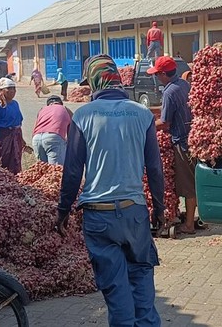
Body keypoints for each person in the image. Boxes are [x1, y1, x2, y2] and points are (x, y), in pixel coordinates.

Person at [55, 54, 165, 326]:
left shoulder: (83, 116)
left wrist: (63, 209)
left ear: (94, 81)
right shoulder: (141, 114)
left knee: (117, 293)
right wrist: (160, 209)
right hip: (135, 214)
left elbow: (72, 171)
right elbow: (155, 169)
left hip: (99, 217)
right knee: (141, 281)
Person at [146, 56, 199, 234]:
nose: (156, 77)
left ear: (163, 74)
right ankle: (190, 217)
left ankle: (189, 224)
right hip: (191, 137)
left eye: (157, 74)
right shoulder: (184, 84)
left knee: (189, 184)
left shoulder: (169, 91)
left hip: (182, 141)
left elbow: (166, 122)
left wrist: (146, 125)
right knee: (191, 180)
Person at [0, 77, 31, 174]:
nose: (12, 91)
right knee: (4, 160)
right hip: (4, 136)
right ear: (2, 91)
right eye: (9, 89)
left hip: (16, 135)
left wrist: (22, 139)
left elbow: (18, 122)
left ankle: (16, 181)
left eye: (14, 88)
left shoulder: (15, 104)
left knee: (16, 160)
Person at [32, 95, 71, 165]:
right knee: (55, 170)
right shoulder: (65, 109)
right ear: (60, 103)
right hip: (53, 138)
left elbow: (34, 129)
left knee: (42, 170)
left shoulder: (42, 110)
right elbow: (73, 131)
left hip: (36, 139)